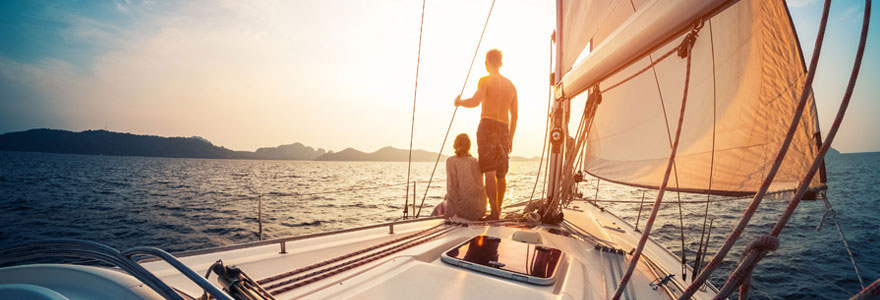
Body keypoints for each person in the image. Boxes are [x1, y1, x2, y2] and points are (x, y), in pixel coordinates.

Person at [454, 49, 518, 220]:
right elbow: (515, 115)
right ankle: (499, 209)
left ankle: (494, 212)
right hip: (504, 128)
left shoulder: (485, 80)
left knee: (489, 171)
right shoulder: (511, 86)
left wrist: (459, 102)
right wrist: (510, 137)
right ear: (501, 63)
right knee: (501, 173)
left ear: (486, 63)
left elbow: (475, 101)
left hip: (488, 126)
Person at [432, 133, 486, 220]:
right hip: (479, 211)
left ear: (455, 145)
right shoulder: (475, 161)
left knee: (441, 205)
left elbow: (452, 189)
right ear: (469, 146)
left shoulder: (451, 161)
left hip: (463, 212)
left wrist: (448, 214)